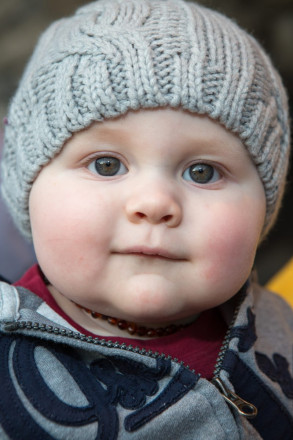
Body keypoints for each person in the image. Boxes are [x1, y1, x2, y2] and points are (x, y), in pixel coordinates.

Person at [0, 0, 292, 438]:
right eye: (105, 164)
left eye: (202, 172)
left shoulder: (283, 327)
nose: (155, 203)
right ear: (27, 187)